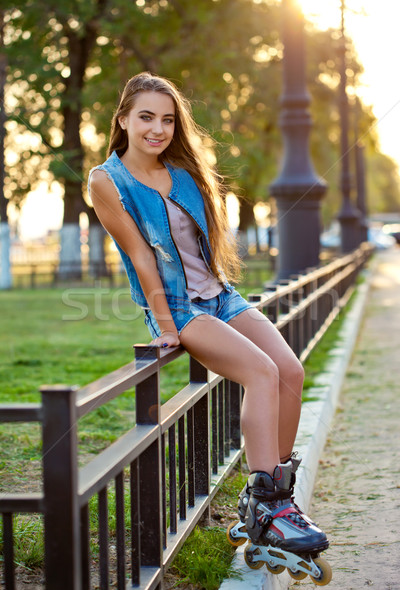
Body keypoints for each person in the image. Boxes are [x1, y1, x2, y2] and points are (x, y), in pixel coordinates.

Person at [88, 72, 329, 565]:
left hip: (220, 296)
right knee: (260, 374)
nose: (158, 129)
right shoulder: (106, 180)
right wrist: (168, 327)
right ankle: (269, 512)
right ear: (123, 120)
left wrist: (220, 290)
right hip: (179, 308)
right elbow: (140, 256)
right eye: (147, 117)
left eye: (168, 120)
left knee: (290, 372)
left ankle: (271, 500)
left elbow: (204, 248)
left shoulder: (182, 174)